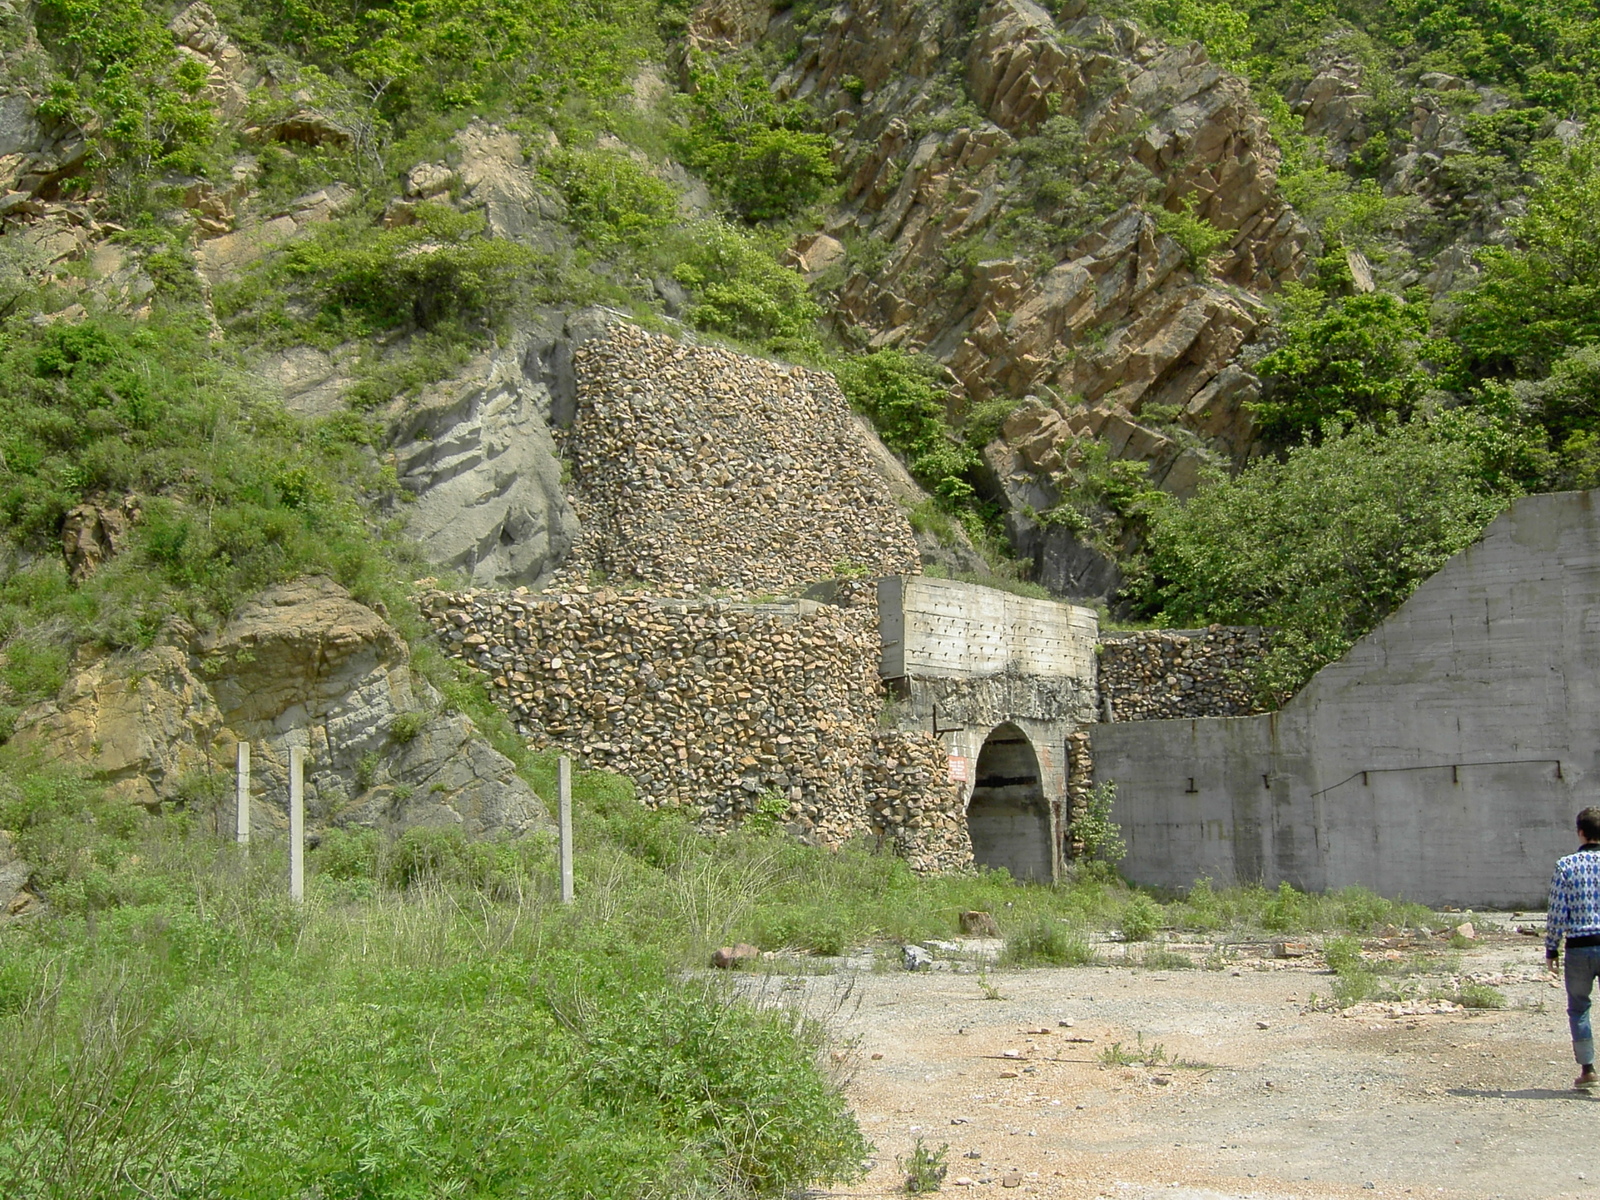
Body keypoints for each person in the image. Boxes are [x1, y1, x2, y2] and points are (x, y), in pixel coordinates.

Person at [1546, 806, 1600, 1089]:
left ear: (1581, 832)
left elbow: (1557, 912)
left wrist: (1551, 948)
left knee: (1579, 1008)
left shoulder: (1565, 866)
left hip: (1579, 947)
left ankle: (1588, 1068)